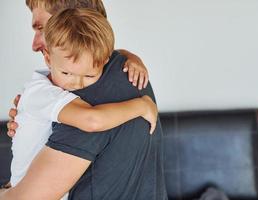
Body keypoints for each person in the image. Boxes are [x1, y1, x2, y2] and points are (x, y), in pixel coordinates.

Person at [0, 8, 167, 199]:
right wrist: (142, 106)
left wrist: (131, 56)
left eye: (88, 76)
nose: (76, 84)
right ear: (48, 58)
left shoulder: (95, 85)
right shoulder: (43, 93)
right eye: (66, 74)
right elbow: (92, 119)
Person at [6, 0, 150, 137]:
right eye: (66, 73)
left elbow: (92, 120)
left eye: (43, 29)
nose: (34, 45)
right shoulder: (47, 87)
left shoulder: (119, 80)